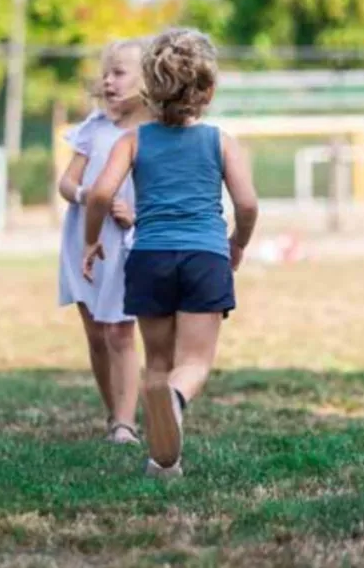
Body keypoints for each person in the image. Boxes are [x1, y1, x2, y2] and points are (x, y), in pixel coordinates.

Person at [83, 28, 259, 478]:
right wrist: (238, 242)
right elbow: (247, 204)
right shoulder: (221, 141)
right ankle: (175, 400)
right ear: (210, 89)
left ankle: (164, 462)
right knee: (195, 362)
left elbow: (101, 193)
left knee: (158, 363)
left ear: (150, 87)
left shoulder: (133, 141)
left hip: (149, 257)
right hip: (204, 257)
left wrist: (90, 240)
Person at [57, 38, 152, 444]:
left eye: (119, 73)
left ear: (147, 79)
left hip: (128, 243)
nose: (109, 82)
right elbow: (67, 183)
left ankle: (127, 424)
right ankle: (113, 413)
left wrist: (136, 213)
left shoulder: (156, 134)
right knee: (96, 332)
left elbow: (161, 191)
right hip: (84, 238)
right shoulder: (93, 128)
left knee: (121, 332)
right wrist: (89, 196)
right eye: (106, 74)